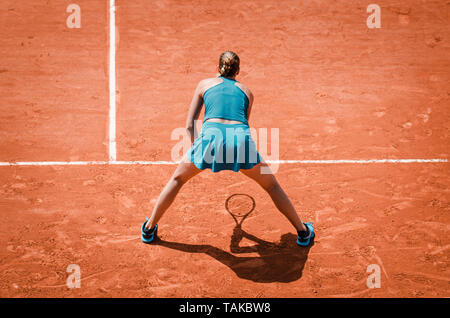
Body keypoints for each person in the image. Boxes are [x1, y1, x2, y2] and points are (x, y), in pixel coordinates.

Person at [141, 51, 314, 247]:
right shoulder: (247, 92)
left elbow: (190, 124)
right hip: (240, 141)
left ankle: (148, 229)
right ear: (238, 70)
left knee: (178, 179)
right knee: (272, 186)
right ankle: (303, 232)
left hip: (209, 140)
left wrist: (199, 151)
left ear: (218, 68)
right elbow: (243, 124)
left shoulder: (204, 84)